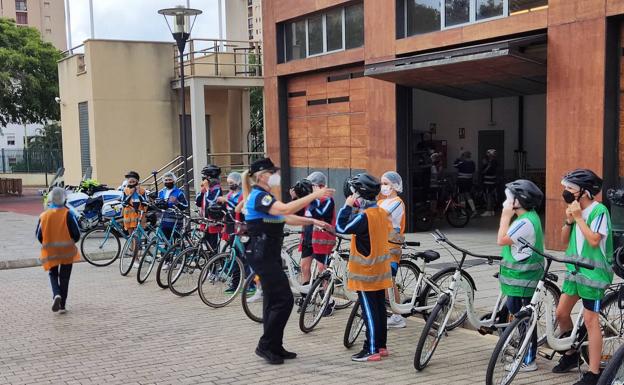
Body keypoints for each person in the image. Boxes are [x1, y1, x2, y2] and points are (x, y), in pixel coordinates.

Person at [242, 157, 334, 365]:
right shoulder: (259, 196)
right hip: (262, 253)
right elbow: (284, 211)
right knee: (284, 299)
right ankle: (265, 345)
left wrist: (312, 221)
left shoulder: (265, 196)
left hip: (267, 252)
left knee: (272, 299)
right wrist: (314, 195)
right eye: (271, 172)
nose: (275, 175)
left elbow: (285, 217)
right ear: (261, 175)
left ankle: (274, 345)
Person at [553, 169, 613, 385]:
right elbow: (562, 240)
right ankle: (571, 354)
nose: (566, 192)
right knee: (561, 313)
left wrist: (578, 218)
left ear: (585, 192)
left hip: (593, 274)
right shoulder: (574, 209)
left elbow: (594, 240)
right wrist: (569, 220)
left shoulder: (599, 211)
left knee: (590, 320)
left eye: (570, 188)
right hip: (574, 271)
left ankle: (594, 373)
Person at [337, 173, 392, 362]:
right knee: (379, 310)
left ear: (359, 196)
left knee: (369, 312)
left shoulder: (365, 217)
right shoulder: (382, 213)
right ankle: (381, 346)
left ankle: (371, 350)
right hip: (380, 272)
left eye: (353, 195)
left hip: (366, 274)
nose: (352, 197)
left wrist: (347, 206)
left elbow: (341, 227)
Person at [496, 179, 545, 372]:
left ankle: (529, 359)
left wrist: (504, 216)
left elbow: (501, 240)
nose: (507, 200)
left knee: (524, 319)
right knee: (518, 313)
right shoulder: (529, 217)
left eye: (510, 197)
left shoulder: (525, 221)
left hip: (523, 279)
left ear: (520, 200)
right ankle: (524, 353)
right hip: (521, 279)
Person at [36, 187, 81, 313]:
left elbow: (39, 235)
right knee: (65, 278)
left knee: (53, 274)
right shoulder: (68, 214)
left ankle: (56, 294)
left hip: (50, 252)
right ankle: (62, 305)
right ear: (64, 199)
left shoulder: (44, 215)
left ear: (50, 199)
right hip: (67, 251)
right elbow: (76, 234)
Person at [301, 171, 337, 316]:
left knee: (322, 269)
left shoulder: (327, 199)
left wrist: (311, 199)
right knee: (304, 267)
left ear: (320, 186)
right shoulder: (310, 199)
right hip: (309, 237)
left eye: (312, 186)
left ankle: (328, 301)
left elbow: (320, 214)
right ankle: (306, 299)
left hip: (323, 238)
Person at [379, 171, 407, 329]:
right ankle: (390, 312)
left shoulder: (397, 202)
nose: (383, 187)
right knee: (383, 281)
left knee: (389, 281)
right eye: (382, 183)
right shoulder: (381, 201)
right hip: (381, 244)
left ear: (395, 185)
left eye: (386, 183)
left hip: (392, 244)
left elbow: (382, 216)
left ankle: (397, 316)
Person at [196, 164, 223, 251]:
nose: (203, 179)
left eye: (205, 176)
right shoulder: (206, 188)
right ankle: (209, 262)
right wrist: (202, 192)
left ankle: (215, 262)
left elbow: (211, 201)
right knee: (206, 243)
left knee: (213, 244)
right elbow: (198, 203)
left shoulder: (216, 188)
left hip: (213, 221)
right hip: (205, 220)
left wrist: (207, 189)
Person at [157, 172, 188, 240]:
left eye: (170, 180)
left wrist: (177, 203)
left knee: (175, 241)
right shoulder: (161, 192)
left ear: (174, 181)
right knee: (165, 240)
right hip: (163, 221)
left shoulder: (179, 192)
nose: (168, 181)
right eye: (166, 180)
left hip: (175, 221)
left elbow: (185, 205)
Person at [218, 171, 244, 242]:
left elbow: (237, 207)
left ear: (238, 182)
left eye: (231, 183)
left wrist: (226, 201)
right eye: (228, 183)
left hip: (239, 223)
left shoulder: (242, 194)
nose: (230, 185)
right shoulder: (230, 194)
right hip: (230, 223)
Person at [453, 150, 477, 215]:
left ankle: (463, 213)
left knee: (461, 196)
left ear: (464, 156)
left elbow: (454, 165)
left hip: (462, 181)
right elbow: (473, 171)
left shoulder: (462, 162)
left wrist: (458, 158)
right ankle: (474, 210)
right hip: (469, 181)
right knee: (468, 194)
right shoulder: (472, 163)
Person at [481, 149, 499, 217]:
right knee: (491, 196)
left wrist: (486, 165)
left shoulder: (491, 163)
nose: (487, 156)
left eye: (488, 155)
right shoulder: (494, 162)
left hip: (489, 182)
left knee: (489, 196)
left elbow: (484, 171)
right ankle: (492, 211)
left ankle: (488, 211)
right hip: (492, 181)